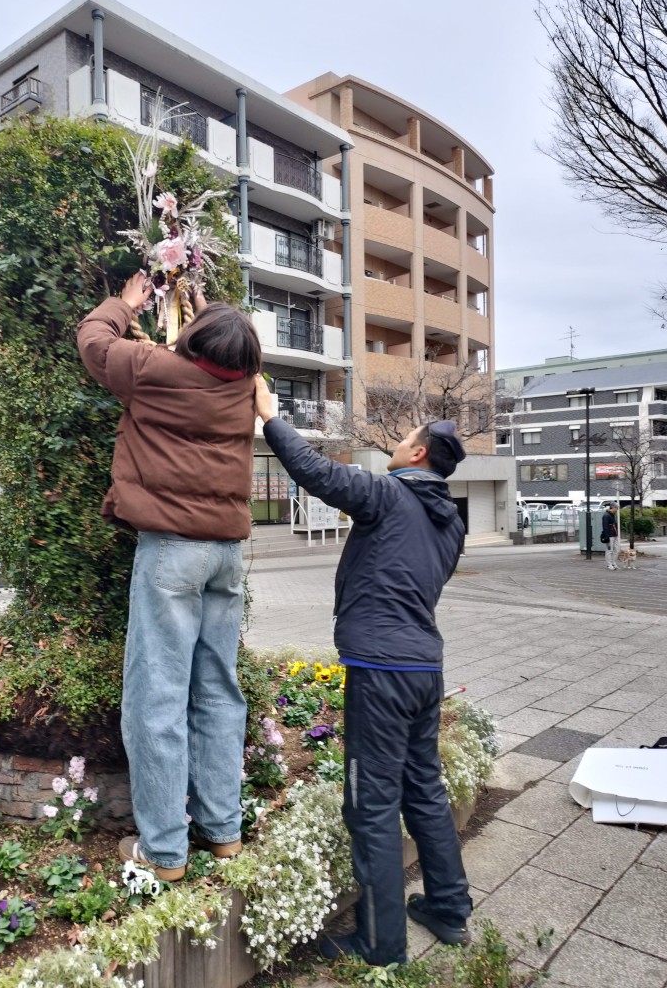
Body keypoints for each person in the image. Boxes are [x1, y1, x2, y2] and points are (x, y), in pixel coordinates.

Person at [254, 375, 472, 967]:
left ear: (419, 453)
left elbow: (317, 473)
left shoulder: (388, 495)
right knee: (423, 788)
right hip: (424, 667)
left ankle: (380, 944)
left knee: (370, 804)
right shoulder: (451, 524)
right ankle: (450, 910)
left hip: (380, 671)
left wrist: (271, 418)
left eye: (404, 439)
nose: (396, 445)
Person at [77, 272, 262, 882]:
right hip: (227, 556)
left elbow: (94, 342)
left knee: (157, 697)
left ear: (195, 339)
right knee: (217, 691)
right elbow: (223, 346)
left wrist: (126, 304)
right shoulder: (247, 387)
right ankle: (223, 832)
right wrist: (199, 305)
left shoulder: (155, 369)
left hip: (173, 553)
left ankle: (163, 851)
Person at [602, 503, 620, 570]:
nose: (617, 509)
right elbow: (605, 526)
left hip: (614, 535)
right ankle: (609, 564)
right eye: (616, 508)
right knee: (609, 550)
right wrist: (607, 536)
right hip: (610, 535)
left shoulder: (612, 515)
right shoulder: (606, 515)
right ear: (613, 507)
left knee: (617, 549)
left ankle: (613, 562)